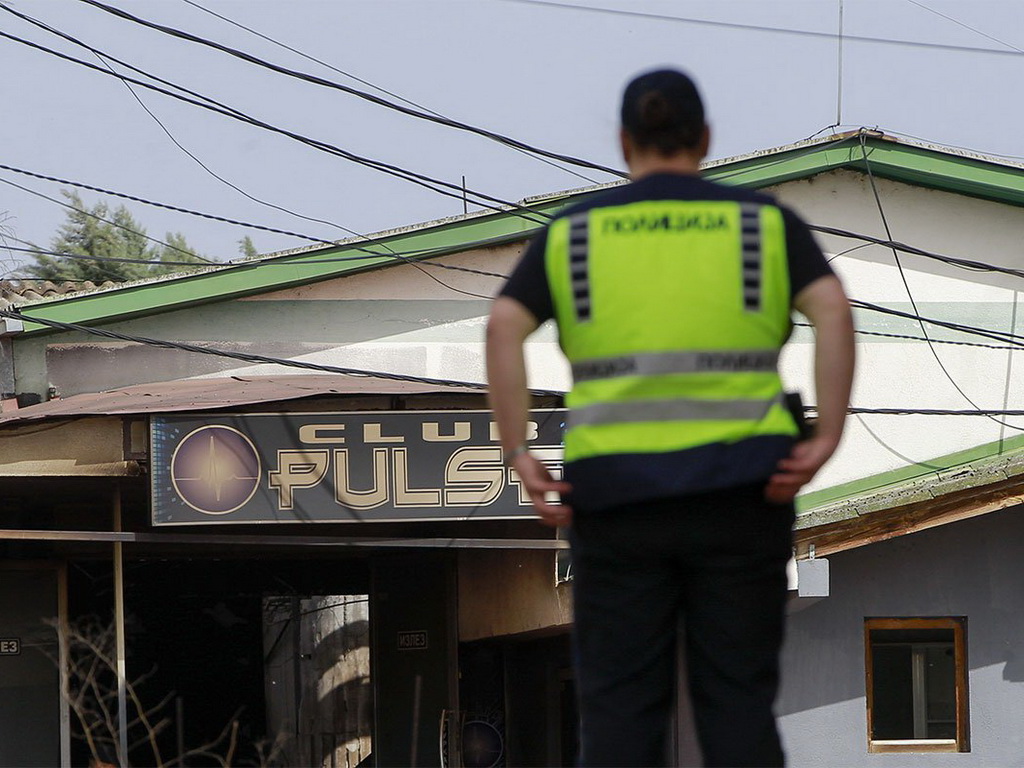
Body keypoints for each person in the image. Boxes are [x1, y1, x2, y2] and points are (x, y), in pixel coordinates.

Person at [486, 68, 855, 767]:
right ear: (706, 139)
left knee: (622, 713)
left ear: (625, 142)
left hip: (617, 499)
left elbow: (505, 324)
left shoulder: (577, 232)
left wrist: (519, 452)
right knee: (737, 705)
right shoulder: (762, 224)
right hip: (746, 489)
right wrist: (828, 433)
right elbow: (833, 310)